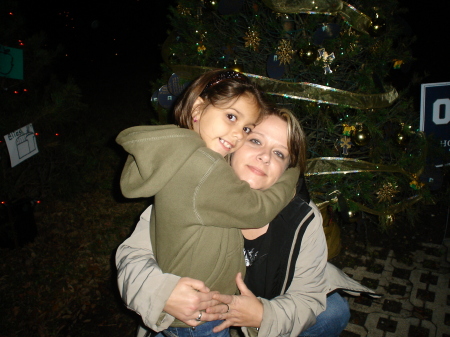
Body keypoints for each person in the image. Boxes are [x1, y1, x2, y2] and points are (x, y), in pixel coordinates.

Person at [116, 108, 380, 337]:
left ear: (287, 170)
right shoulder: (190, 188)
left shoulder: (302, 218)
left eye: (279, 153)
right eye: (255, 141)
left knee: (333, 311)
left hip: (263, 309)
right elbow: (132, 257)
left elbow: (307, 298)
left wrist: (264, 315)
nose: (265, 156)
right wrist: (164, 293)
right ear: (233, 145)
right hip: (198, 320)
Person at [115, 70, 300, 336]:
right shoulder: (202, 168)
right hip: (201, 316)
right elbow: (258, 211)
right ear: (198, 108)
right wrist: (291, 174)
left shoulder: (184, 153)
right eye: (231, 117)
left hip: (192, 310)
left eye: (246, 128)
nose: (237, 135)